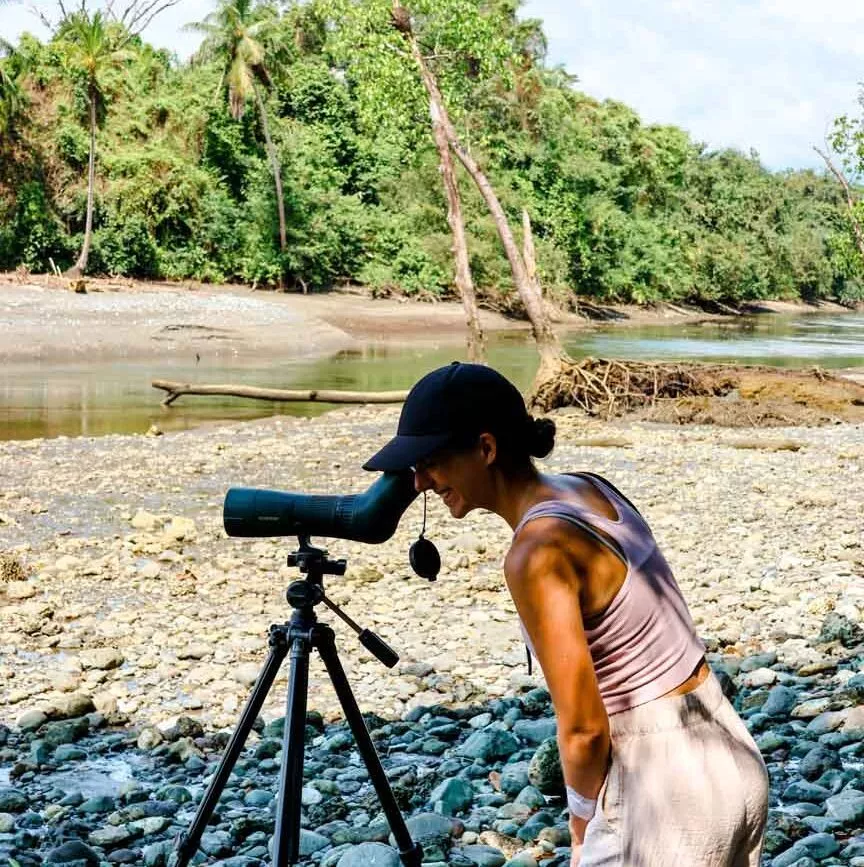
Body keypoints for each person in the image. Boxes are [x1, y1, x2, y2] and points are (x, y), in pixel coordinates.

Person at [363, 361, 769, 867]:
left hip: (665, 791)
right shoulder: (592, 487)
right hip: (728, 752)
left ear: (486, 449)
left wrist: (582, 823)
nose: (420, 481)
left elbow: (584, 725)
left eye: (430, 461)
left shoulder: (536, 552)